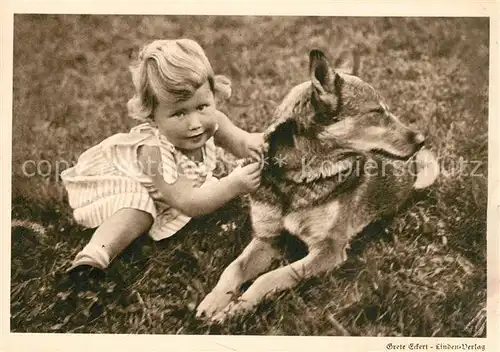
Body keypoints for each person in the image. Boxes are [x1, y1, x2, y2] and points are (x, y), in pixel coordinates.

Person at [60, 38, 265, 282]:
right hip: (118, 183)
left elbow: (243, 142)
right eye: (179, 113)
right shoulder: (152, 152)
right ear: (153, 116)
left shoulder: (214, 121)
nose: (195, 124)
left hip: (172, 191)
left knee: (209, 188)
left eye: (202, 106)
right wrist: (235, 184)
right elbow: (189, 202)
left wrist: (264, 144)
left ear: (213, 95)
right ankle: (92, 259)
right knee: (139, 209)